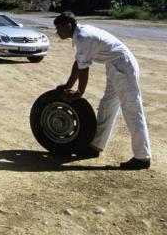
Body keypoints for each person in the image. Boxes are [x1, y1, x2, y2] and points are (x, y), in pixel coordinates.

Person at [54, 12, 151, 169]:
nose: (57, 32)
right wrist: (68, 84)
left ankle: (142, 157)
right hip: (115, 66)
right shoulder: (79, 35)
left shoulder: (83, 36)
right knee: (107, 106)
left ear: (68, 26)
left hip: (122, 66)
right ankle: (95, 146)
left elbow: (84, 69)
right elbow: (79, 62)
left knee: (132, 109)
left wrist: (79, 92)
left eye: (59, 28)